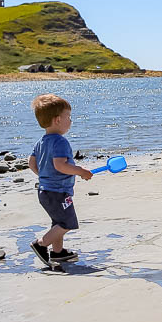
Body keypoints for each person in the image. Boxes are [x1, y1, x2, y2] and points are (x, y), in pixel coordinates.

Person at [28, 93, 93, 270]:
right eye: (68, 117)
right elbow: (60, 165)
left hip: (44, 191)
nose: (70, 121)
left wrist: (43, 177)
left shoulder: (41, 142)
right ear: (57, 120)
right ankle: (41, 244)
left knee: (57, 223)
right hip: (58, 192)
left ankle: (58, 252)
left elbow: (31, 163)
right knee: (67, 222)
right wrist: (81, 172)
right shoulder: (60, 142)